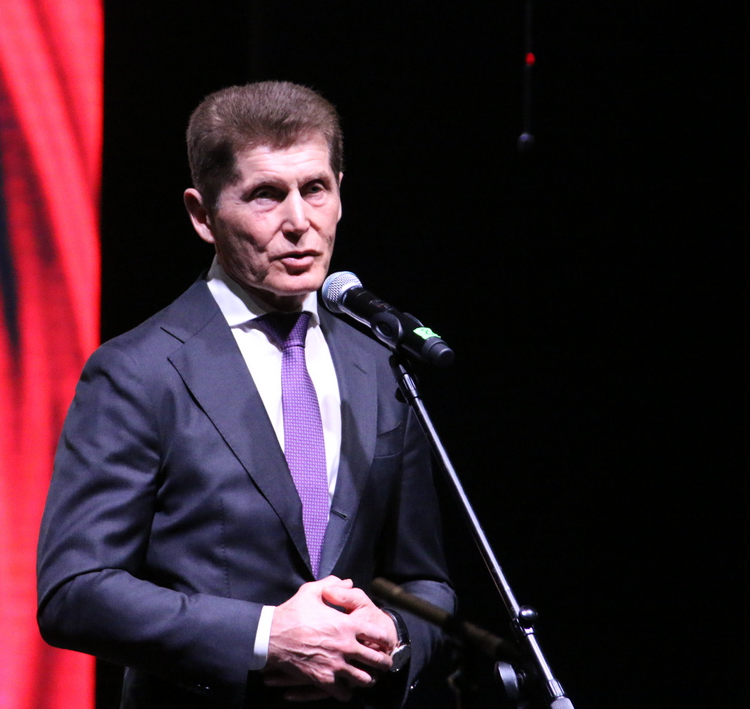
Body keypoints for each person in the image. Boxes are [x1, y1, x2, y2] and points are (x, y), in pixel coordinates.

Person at [37, 81, 454, 708]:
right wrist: (263, 637)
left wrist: (395, 634)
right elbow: (74, 591)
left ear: (340, 192)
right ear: (202, 215)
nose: (299, 222)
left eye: (316, 189)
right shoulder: (137, 373)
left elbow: (425, 582)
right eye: (266, 195)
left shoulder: (380, 363)